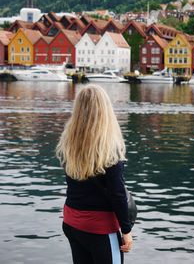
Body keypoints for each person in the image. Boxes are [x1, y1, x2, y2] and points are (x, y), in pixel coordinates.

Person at [56, 84, 133, 264]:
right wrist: (127, 231)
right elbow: (117, 193)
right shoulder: (109, 149)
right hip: (100, 228)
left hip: (71, 222)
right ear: (105, 110)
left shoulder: (68, 143)